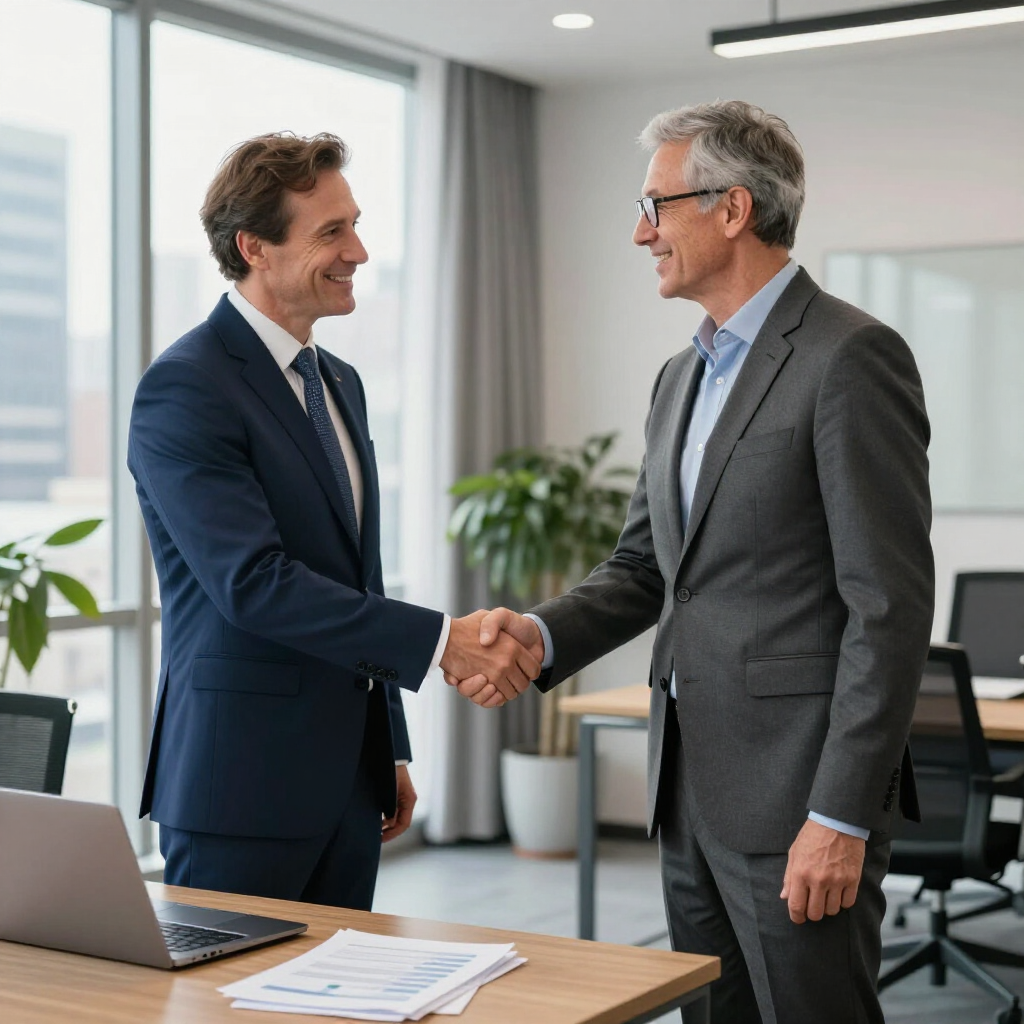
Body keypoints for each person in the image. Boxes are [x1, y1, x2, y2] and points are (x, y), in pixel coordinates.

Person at [454, 101, 934, 1023]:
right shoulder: (681, 376)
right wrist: (540, 634)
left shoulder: (850, 358)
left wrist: (839, 816)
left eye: (656, 206)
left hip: (799, 798)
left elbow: (889, 608)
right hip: (688, 793)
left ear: (732, 208)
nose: (642, 233)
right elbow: (646, 567)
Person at [128, 132, 538, 910]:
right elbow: (253, 584)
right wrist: (441, 640)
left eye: (355, 223)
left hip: (350, 783)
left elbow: (358, 578)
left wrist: (388, 748)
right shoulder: (186, 388)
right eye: (331, 232)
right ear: (256, 248)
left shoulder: (338, 382)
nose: (360, 250)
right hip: (239, 788)